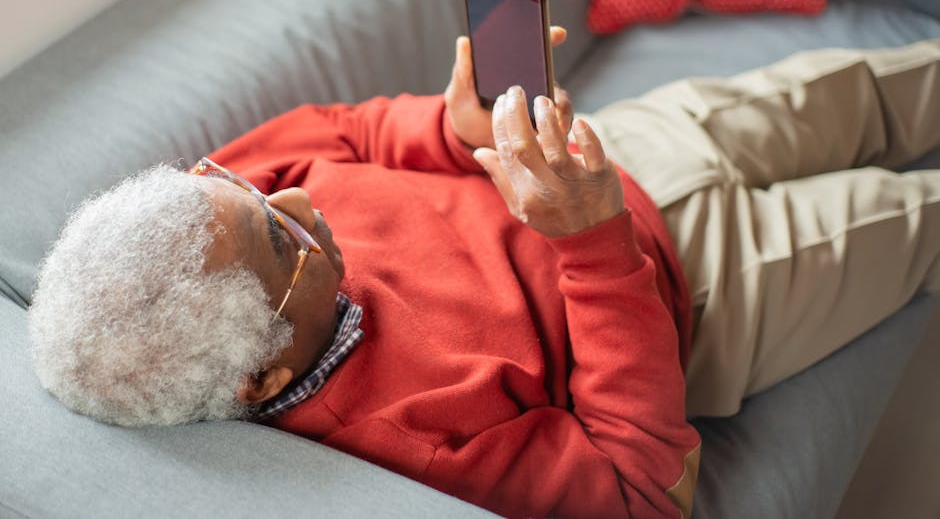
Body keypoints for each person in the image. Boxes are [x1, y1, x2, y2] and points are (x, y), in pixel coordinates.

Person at [28, 28, 940, 519]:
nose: (300, 204)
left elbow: (340, 131)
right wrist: (592, 242)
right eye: (282, 243)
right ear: (260, 373)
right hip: (711, 286)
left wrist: (451, 128)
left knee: (869, 86)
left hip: (610, 151)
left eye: (247, 191)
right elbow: (638, 488)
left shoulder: (212, 215)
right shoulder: (409, 447)